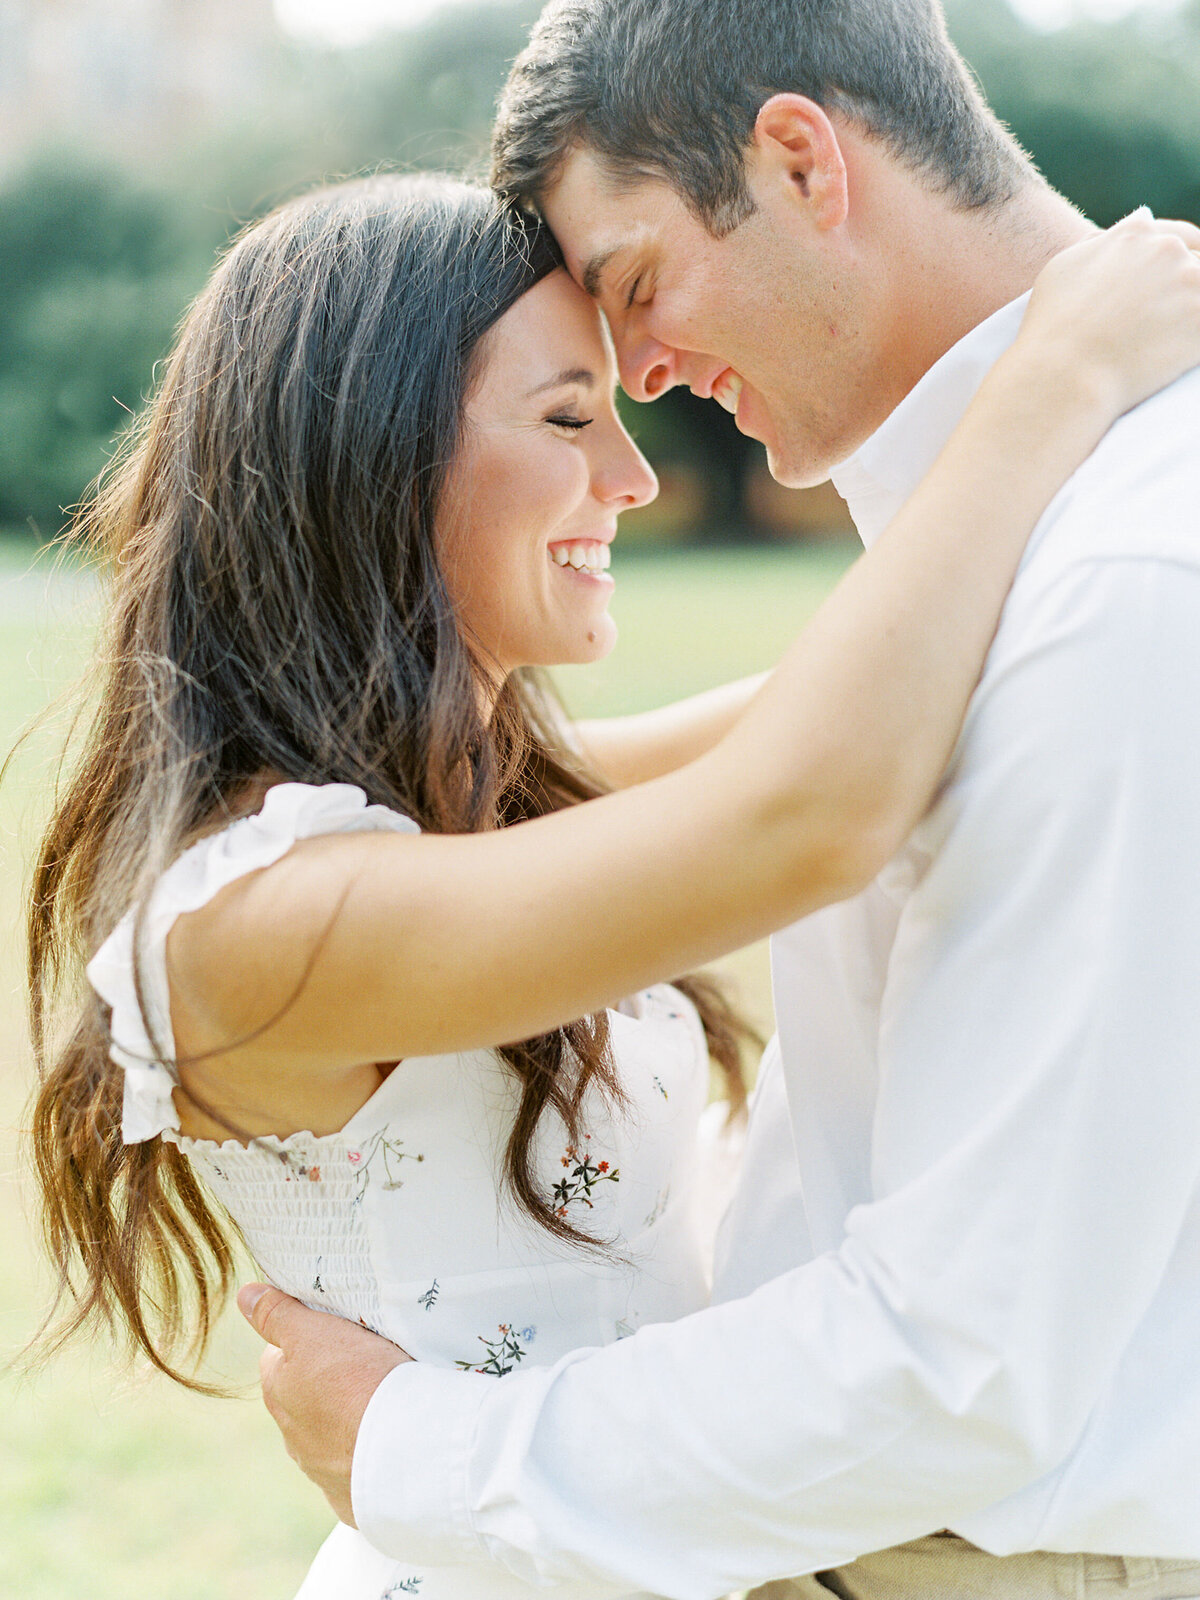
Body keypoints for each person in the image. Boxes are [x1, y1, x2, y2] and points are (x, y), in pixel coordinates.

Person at [29, 171, 1197, 1600]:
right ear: (367, 452)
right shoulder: (249, 926)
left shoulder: (485, 809)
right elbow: (810, 806)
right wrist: (1050, 381)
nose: (635, 481)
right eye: (570, 418)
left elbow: (879, 697)